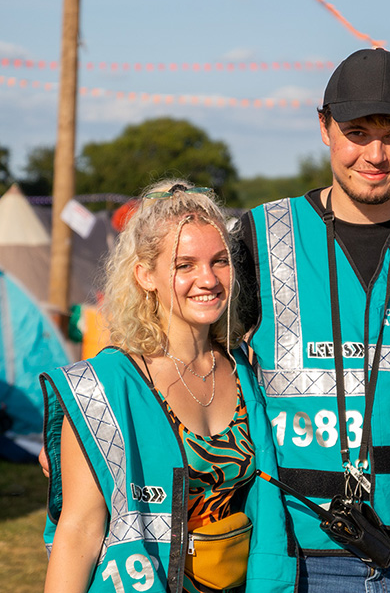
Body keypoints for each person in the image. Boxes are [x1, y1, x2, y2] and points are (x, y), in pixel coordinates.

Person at [234, 47, 390, 592]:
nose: (375, 153)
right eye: (357, 131)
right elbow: (185, 352)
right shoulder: (260, 236)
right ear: (324, 128)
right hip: (300, 548)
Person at [40, 181, 294, 593]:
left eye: (220, 261)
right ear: (145, 275)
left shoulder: (251, 372)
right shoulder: (105, 388)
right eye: (184, 265)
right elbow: (79, 532)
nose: (208, 279)